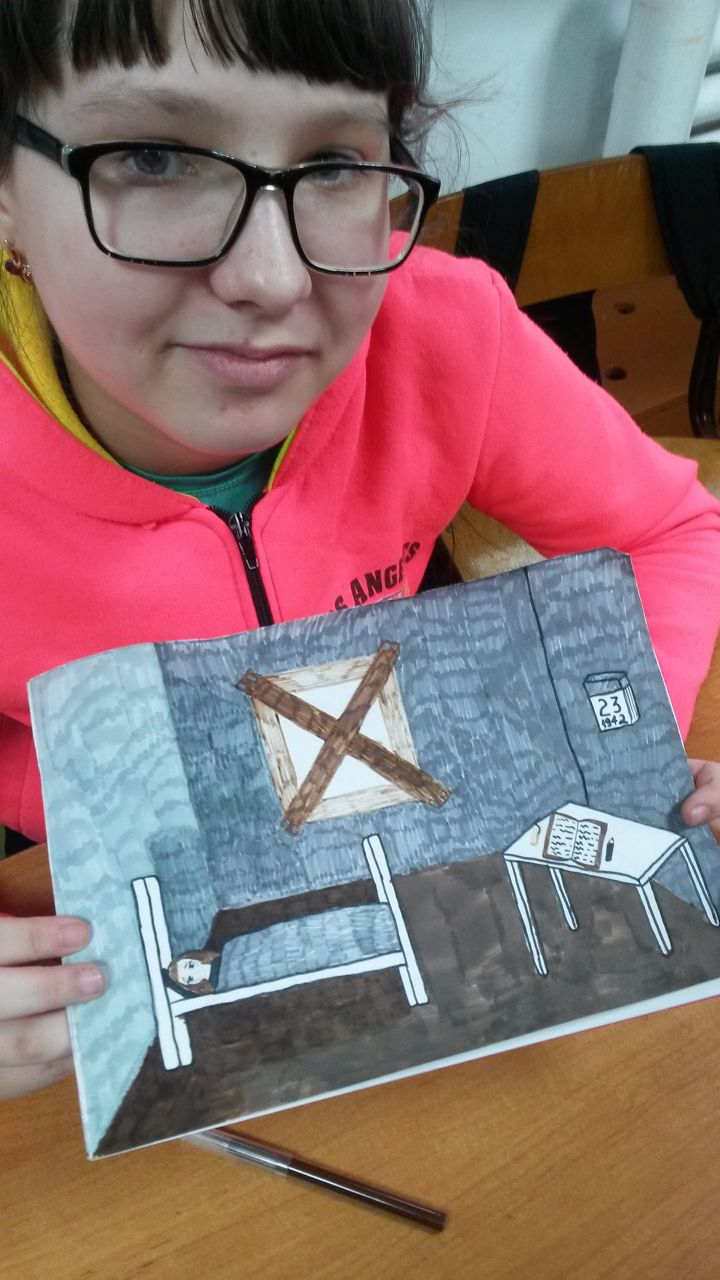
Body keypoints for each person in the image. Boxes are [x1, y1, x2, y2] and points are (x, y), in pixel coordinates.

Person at [0, 0, 719, 1103]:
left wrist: (612, 752)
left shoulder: (444, 332)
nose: (271, 277)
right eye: (153, 157)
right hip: (113, 979)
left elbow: (668, 528)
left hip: (444, 954)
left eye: (334, 166)